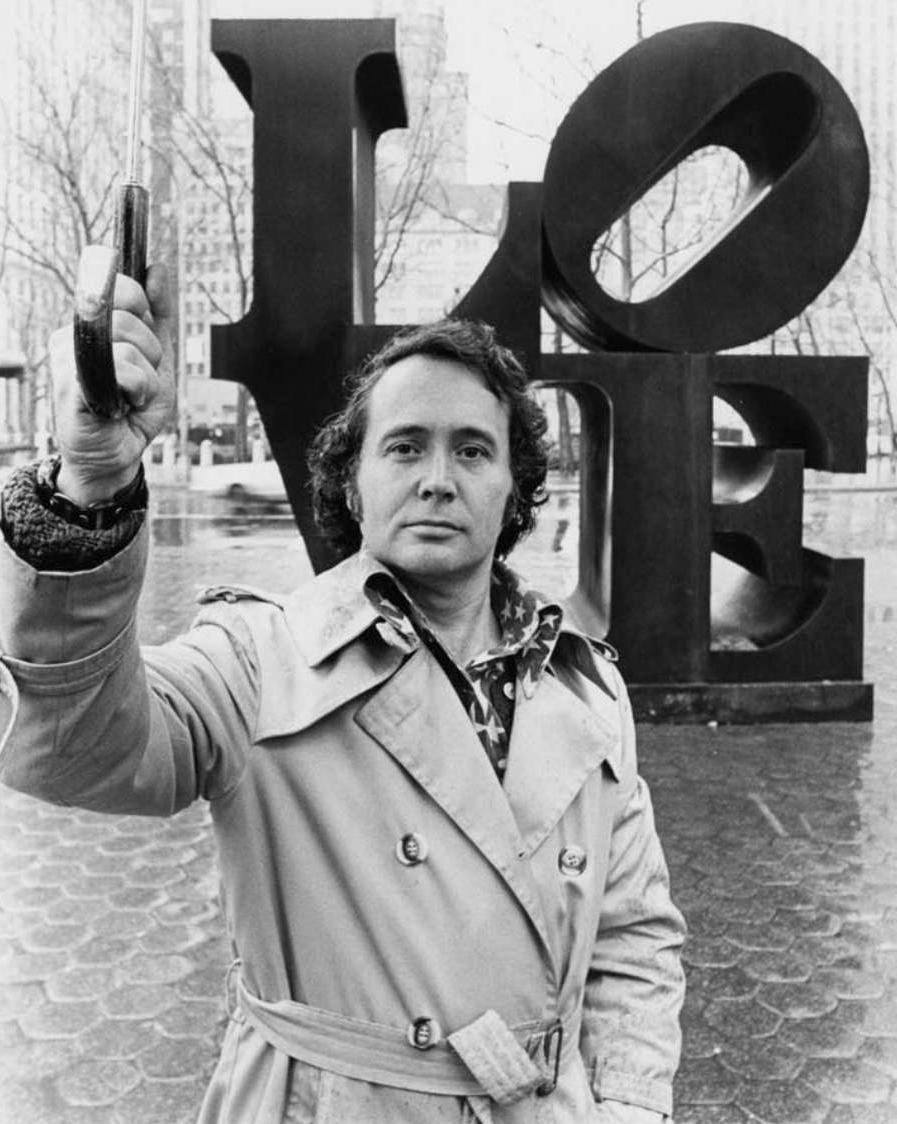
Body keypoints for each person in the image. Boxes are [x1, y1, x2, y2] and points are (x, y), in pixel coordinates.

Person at [0, 264, 686, 1124]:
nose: (438, 477)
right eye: (404, 446)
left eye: (473, 450)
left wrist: (628, 1106)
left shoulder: (588, 687)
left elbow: (632, 936)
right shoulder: (257, 659)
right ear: (351, 482)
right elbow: (72, 747)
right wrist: (90, 488)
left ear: (513, 487)